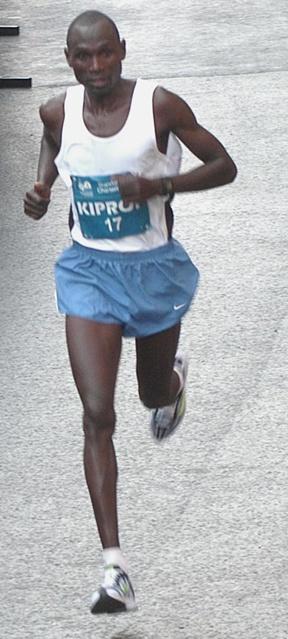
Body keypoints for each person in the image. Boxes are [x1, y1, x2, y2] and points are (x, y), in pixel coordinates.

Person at [24, 10, 237, 615]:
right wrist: (42, 188)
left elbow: (225, 166)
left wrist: (158, 188)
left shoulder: (159, 107)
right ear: (68, 59)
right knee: (97, 413)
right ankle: (113, 568)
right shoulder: (58, 111)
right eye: (82, 58)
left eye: (104, 55)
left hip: (152, 270)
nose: (95, 68)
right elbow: (51, 142)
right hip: (87, 271)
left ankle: (172, 386)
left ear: (121, 50)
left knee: (147, 394)